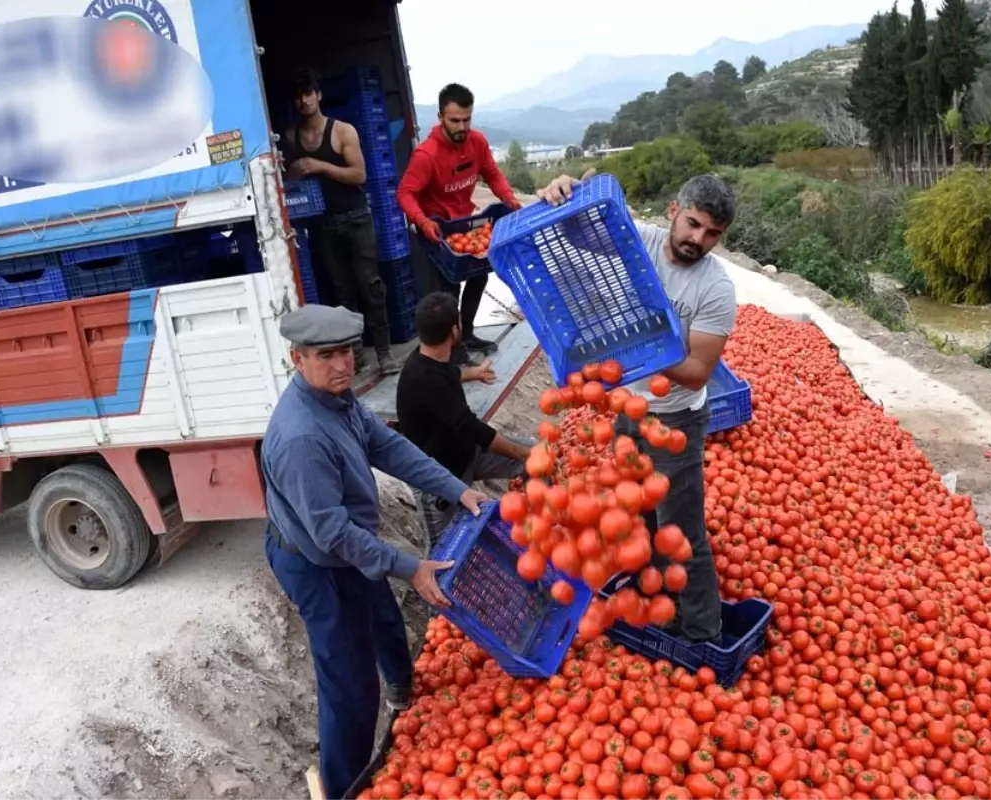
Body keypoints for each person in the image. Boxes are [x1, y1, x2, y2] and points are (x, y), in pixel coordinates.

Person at [261, 303, 487, 800]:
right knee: (349, 686)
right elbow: (332, 536)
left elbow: (389, 447)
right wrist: (409, 566)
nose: (343, 364)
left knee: (385, 618)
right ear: (297, 359)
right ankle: (344, 786)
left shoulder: (338, 401)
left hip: (342, 545)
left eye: (346, 351)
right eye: (327, 355)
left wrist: (457, 488)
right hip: (315, 563)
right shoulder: (301, 436)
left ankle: (405, 693)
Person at [537, 169, 738, 646]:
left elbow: (696, 372)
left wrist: (644, 345)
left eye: (711, 234)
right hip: (629, 410)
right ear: (673, 210)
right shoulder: (638, 241)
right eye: (692, 224)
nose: (697, 239)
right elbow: (575, 226)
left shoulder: (716, 288)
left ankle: (703, 632)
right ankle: (660, 607)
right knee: (642, 518)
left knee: (681, 529)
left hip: (678, 419)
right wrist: (566, 191)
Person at [283, 67, 400, 377]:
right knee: (341, 292)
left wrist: (319, 165)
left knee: (370, 286)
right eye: (299, 96)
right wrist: (296, 171)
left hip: (356, 217)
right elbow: (287, 180)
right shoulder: (291, 137)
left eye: (309, 93)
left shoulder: (342, 130)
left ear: (318, 95)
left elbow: (359, 175)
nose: (304, 100)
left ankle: (385, 354)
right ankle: (356, 355)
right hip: (322, 224)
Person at [396, 83, 522, 366]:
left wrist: (509, 198)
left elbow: (491, 173)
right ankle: (453, 350)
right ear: (441, 117)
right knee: (448, 290)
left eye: (466, 119)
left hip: (467, 224)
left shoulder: (477, 142)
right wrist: (422, 220)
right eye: (455, 120)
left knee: (479, 275)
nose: (461, 126)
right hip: (438, 231)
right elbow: (404, 193)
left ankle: (467, 333)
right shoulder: (426, 155)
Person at [396, 291, 533, 548]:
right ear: (454, 331)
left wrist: (475, 373)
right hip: (437, 480)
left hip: (467, 455)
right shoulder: (423, 380)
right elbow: (473, 428)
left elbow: (449, 374)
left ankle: (540, 525)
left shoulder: (428, 356)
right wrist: (521, 453)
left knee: (536, 456)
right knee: (442, 553)